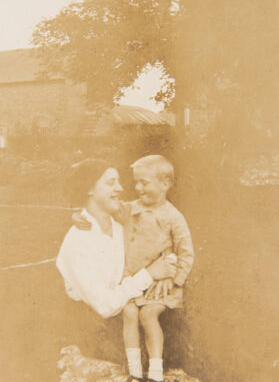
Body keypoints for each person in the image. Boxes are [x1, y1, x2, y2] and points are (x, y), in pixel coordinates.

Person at [73, 155, 194, 382]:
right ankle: (135, 371)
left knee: (148, 315)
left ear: (165, 184)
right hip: (132, 279)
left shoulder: (173, 217)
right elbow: (103, 209)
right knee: (128, 312)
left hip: (159, 285)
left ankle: (156, 372)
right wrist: (81, 214)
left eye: (144, 183)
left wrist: (174, 279)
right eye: (136, 182)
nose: (137, 188)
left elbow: (186, 252)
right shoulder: (130, 209)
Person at [56, 159, 177, 322]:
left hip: (131, 319)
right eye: (111, 182)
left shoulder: (121, 226)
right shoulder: (77, 243)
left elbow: (161, 240)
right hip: (89, 329)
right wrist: (150, 275)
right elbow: (105, 306)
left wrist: (166, 274)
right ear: (89, 188)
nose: (120, 188)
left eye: (118, 182)